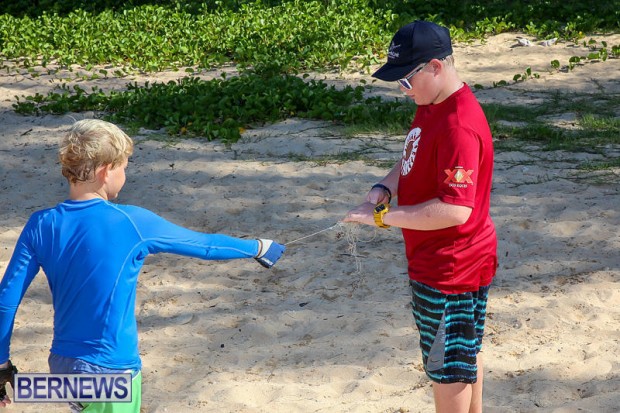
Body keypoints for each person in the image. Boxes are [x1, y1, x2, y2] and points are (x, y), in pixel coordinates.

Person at [0, 119, 286, 412]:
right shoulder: (131, 221)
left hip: (62, 366)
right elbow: (206, 245)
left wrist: (1, 366)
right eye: (124, 167)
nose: (125, 174)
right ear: (105, 170)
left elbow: (6, 301)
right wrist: (258, 248)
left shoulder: (40, 224)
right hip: (111, 372)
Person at [344, 21, 497, 413]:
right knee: (463, 353)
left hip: (451, 268)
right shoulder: (432, 105)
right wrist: (385, 187)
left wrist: (383, 218)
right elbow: (413, 157)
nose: (403, 89)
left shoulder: (458, 124)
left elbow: (455, 209)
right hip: (445, 261)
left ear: (435, 67)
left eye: (406, 80)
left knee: (448, 369)